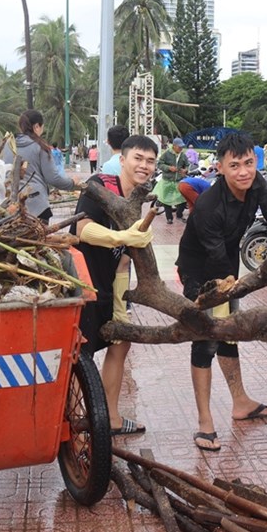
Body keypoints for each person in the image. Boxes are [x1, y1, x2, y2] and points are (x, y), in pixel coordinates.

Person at [177, 132, 267, 451]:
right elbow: (214, 258)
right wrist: (233, 287)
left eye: (248, 163)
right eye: (235, 165)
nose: (243, 171)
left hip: (226, 261)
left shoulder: (256, 185)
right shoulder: (209, 206)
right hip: (199, 270)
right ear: (222, 168)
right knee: (206, 339)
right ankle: (204, 422)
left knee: (230, 332)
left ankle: (240, 402)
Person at [71, 135, 158, 436]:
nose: (144, 166)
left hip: (110, 280)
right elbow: (82, 230)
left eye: (150, 161)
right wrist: (122, 238)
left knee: (120, 342)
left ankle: (111, 417)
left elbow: (124, 260)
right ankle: (71, 420)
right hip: (82, 281)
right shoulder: (100, 185)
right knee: (80, 353)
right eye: (138, 158)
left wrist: (121, 307)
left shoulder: (139, 197)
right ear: (123, 159)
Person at [9, 110, 79, 223]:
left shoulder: (8, 146)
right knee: (38, 238)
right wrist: (72, 183)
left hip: (10, 204)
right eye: (42, 127)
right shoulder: (40, 147)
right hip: (36, 205)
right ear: (37, 126)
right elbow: (53, 178)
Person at [154, 138, 188, 224]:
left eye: (182, 147)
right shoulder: (166, 154)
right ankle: (169, 218)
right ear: (174, 146)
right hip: (167, 180)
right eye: (179, 147)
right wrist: (169, 168)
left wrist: (186, 170)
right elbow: (159, 164)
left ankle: (179, 214)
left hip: (179, 180)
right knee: (166, 200)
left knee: (183, 198)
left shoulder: (183, 155)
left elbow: (187, 165)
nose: (181, 148)